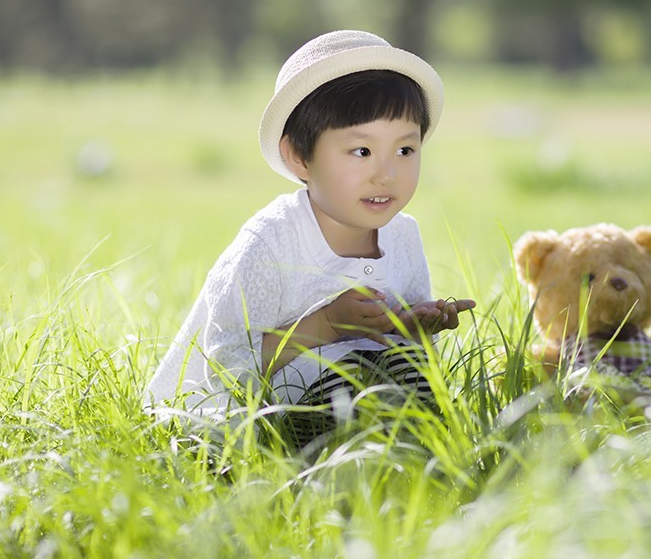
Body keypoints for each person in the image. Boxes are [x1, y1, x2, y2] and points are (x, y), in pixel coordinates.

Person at [144, 30, 475, 440]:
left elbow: (404, 355)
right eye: (361, 151)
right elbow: (226, 364)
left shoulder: (403, 236)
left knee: (412, 377)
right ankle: (333, 463)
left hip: (363, 389)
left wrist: (409, 327)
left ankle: (410, 461)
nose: (386, 173)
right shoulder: (271, 242)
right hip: (245, 419)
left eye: (405, 151)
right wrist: (327, 325)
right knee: (340, 381)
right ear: (300, 157)